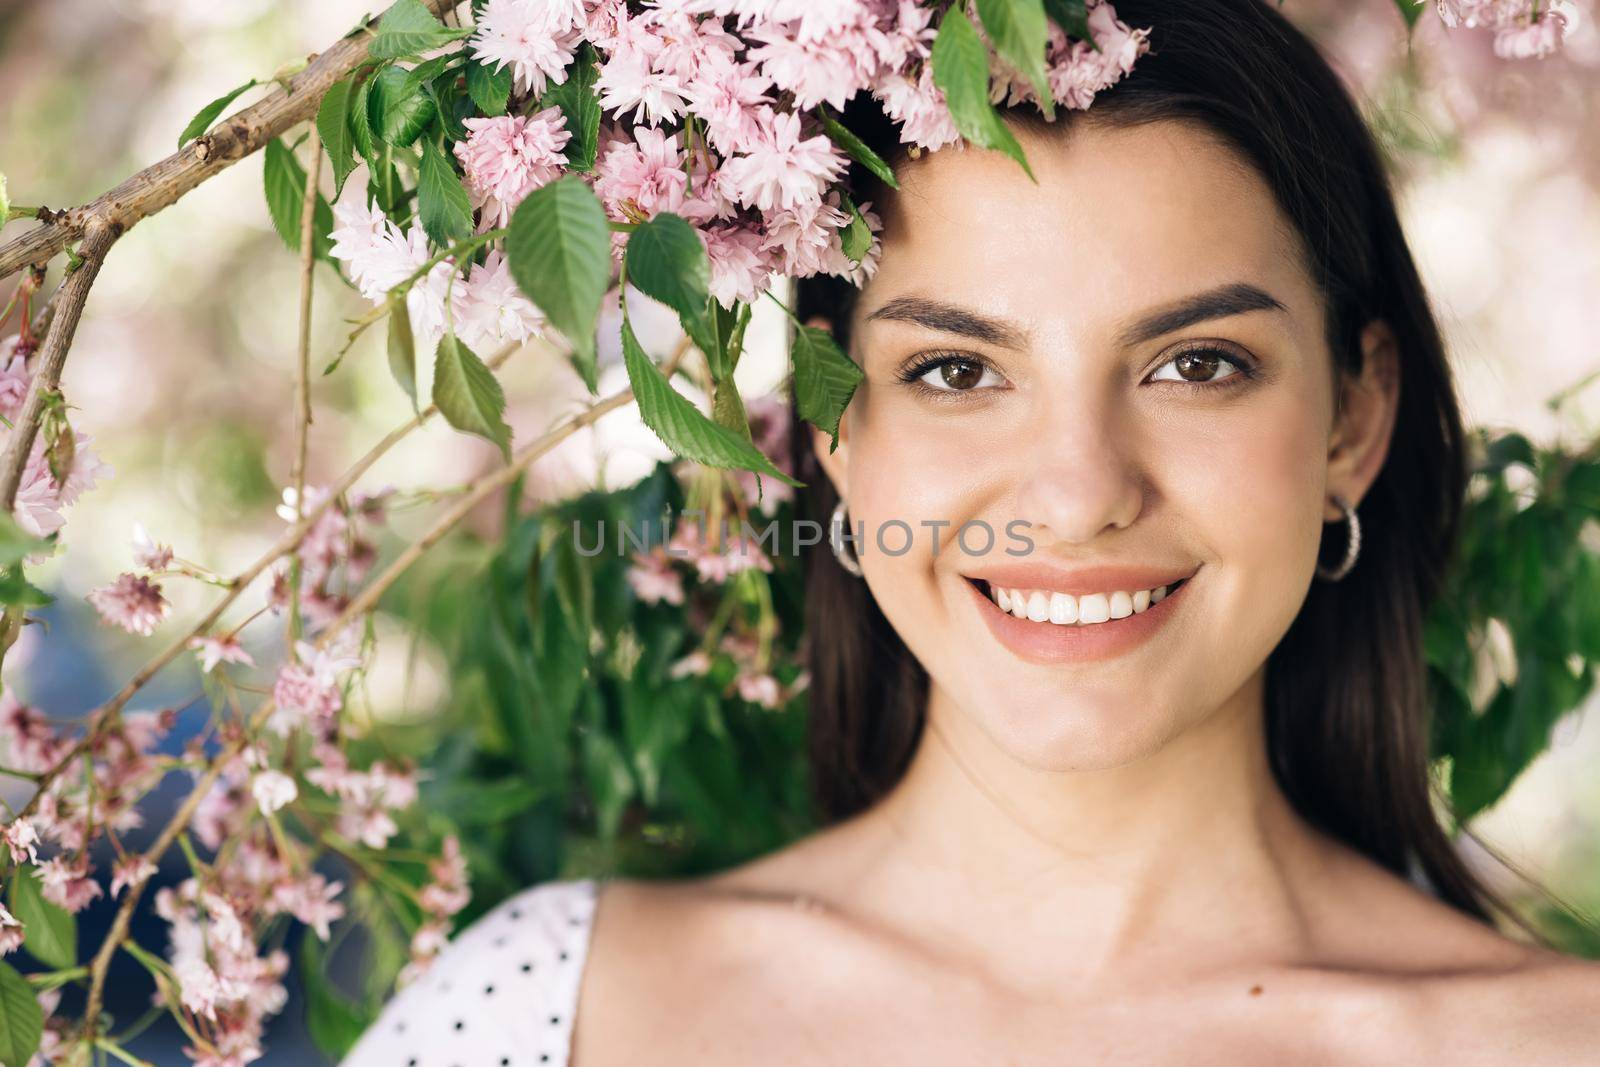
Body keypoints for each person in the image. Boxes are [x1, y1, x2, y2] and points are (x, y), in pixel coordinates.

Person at [342, 1, 1600, 1063]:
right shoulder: (550, 1011)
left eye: (1196, 363)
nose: (1075, 491)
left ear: (1351, 417)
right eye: (955, 371)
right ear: (832, 418)